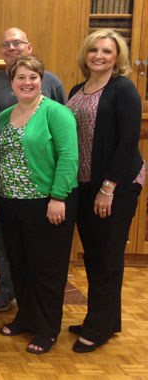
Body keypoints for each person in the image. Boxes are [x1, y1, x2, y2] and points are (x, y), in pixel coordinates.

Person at [66, 29, 144, 353]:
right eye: (94, 50)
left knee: (108, 256)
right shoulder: (77, 89)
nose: (99, 55)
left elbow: (129, 141)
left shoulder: (123, 89)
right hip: (84, 184)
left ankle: (97, 328)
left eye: (107, 51)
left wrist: (108, 187)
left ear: (118, 58)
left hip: (117, 185)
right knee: (95, 256)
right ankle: (107, 320)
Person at [0, 55, 78, 354]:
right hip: (10, 203)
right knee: (19, 265)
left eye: (33, 76)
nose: (27, 82)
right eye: (21, 77)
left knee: (47, 269)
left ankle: (47, 328)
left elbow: (69, 157)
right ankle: (26, 317)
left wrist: (58, 197)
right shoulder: (5, 116)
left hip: (45, 203)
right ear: (12, 82)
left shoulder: (56, 113)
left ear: (41, 80)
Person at [0, 27, 67, 313]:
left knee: (39, 256)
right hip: (4, 192)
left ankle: (38, 309)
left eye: (16, 43)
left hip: (42, 193)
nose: (11, 48)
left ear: (29, 47)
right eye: (5, 44)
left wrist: (58, 194)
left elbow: (65, 147)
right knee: (8, 248)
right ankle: (8, 291)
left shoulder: (53, 88)